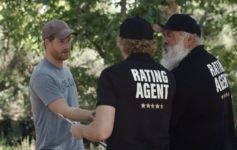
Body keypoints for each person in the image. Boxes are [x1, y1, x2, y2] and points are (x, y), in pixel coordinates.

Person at [70, 16, 176, 150]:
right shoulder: (168, 76)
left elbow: (101, 131)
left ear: (120, 42)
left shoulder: (113, 75)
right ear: (151, 44)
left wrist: (80, 130)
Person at [154, 13, 237, 150]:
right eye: (164, 35)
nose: (165, 41)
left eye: (170, 35)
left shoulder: (184, 73)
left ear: (189, 40)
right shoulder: (212, 61)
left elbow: (166, 123)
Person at [29, 19, 94, 150]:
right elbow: (66, 111)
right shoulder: (42, 75)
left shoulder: (65, 69)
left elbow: (73, 108)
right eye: (61, 42)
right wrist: (95, 115)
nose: (67, 46)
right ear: (47, 43)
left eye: (69, 40)